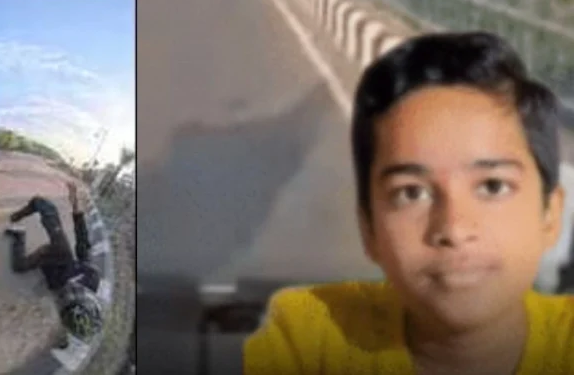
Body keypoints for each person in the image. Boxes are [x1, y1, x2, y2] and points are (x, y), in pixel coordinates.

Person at [244, 31, 574, 374]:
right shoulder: (310, 340)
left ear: (550, 215)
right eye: (412, 193)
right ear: (368, 228)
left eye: (492, 187)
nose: (454, 229)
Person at [4, 181, 104, 343]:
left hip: (48, 267)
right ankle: (32, 209)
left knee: (19, 266)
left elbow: (65, 330)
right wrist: (75, 202)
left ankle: (19, 235)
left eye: (66, 303)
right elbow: (82, 239)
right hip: (61, 255)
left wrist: (63, 339)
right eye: (74, 295)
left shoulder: (67, 311)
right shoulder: (91, 277)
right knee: (45, 208)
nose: (68, 295)